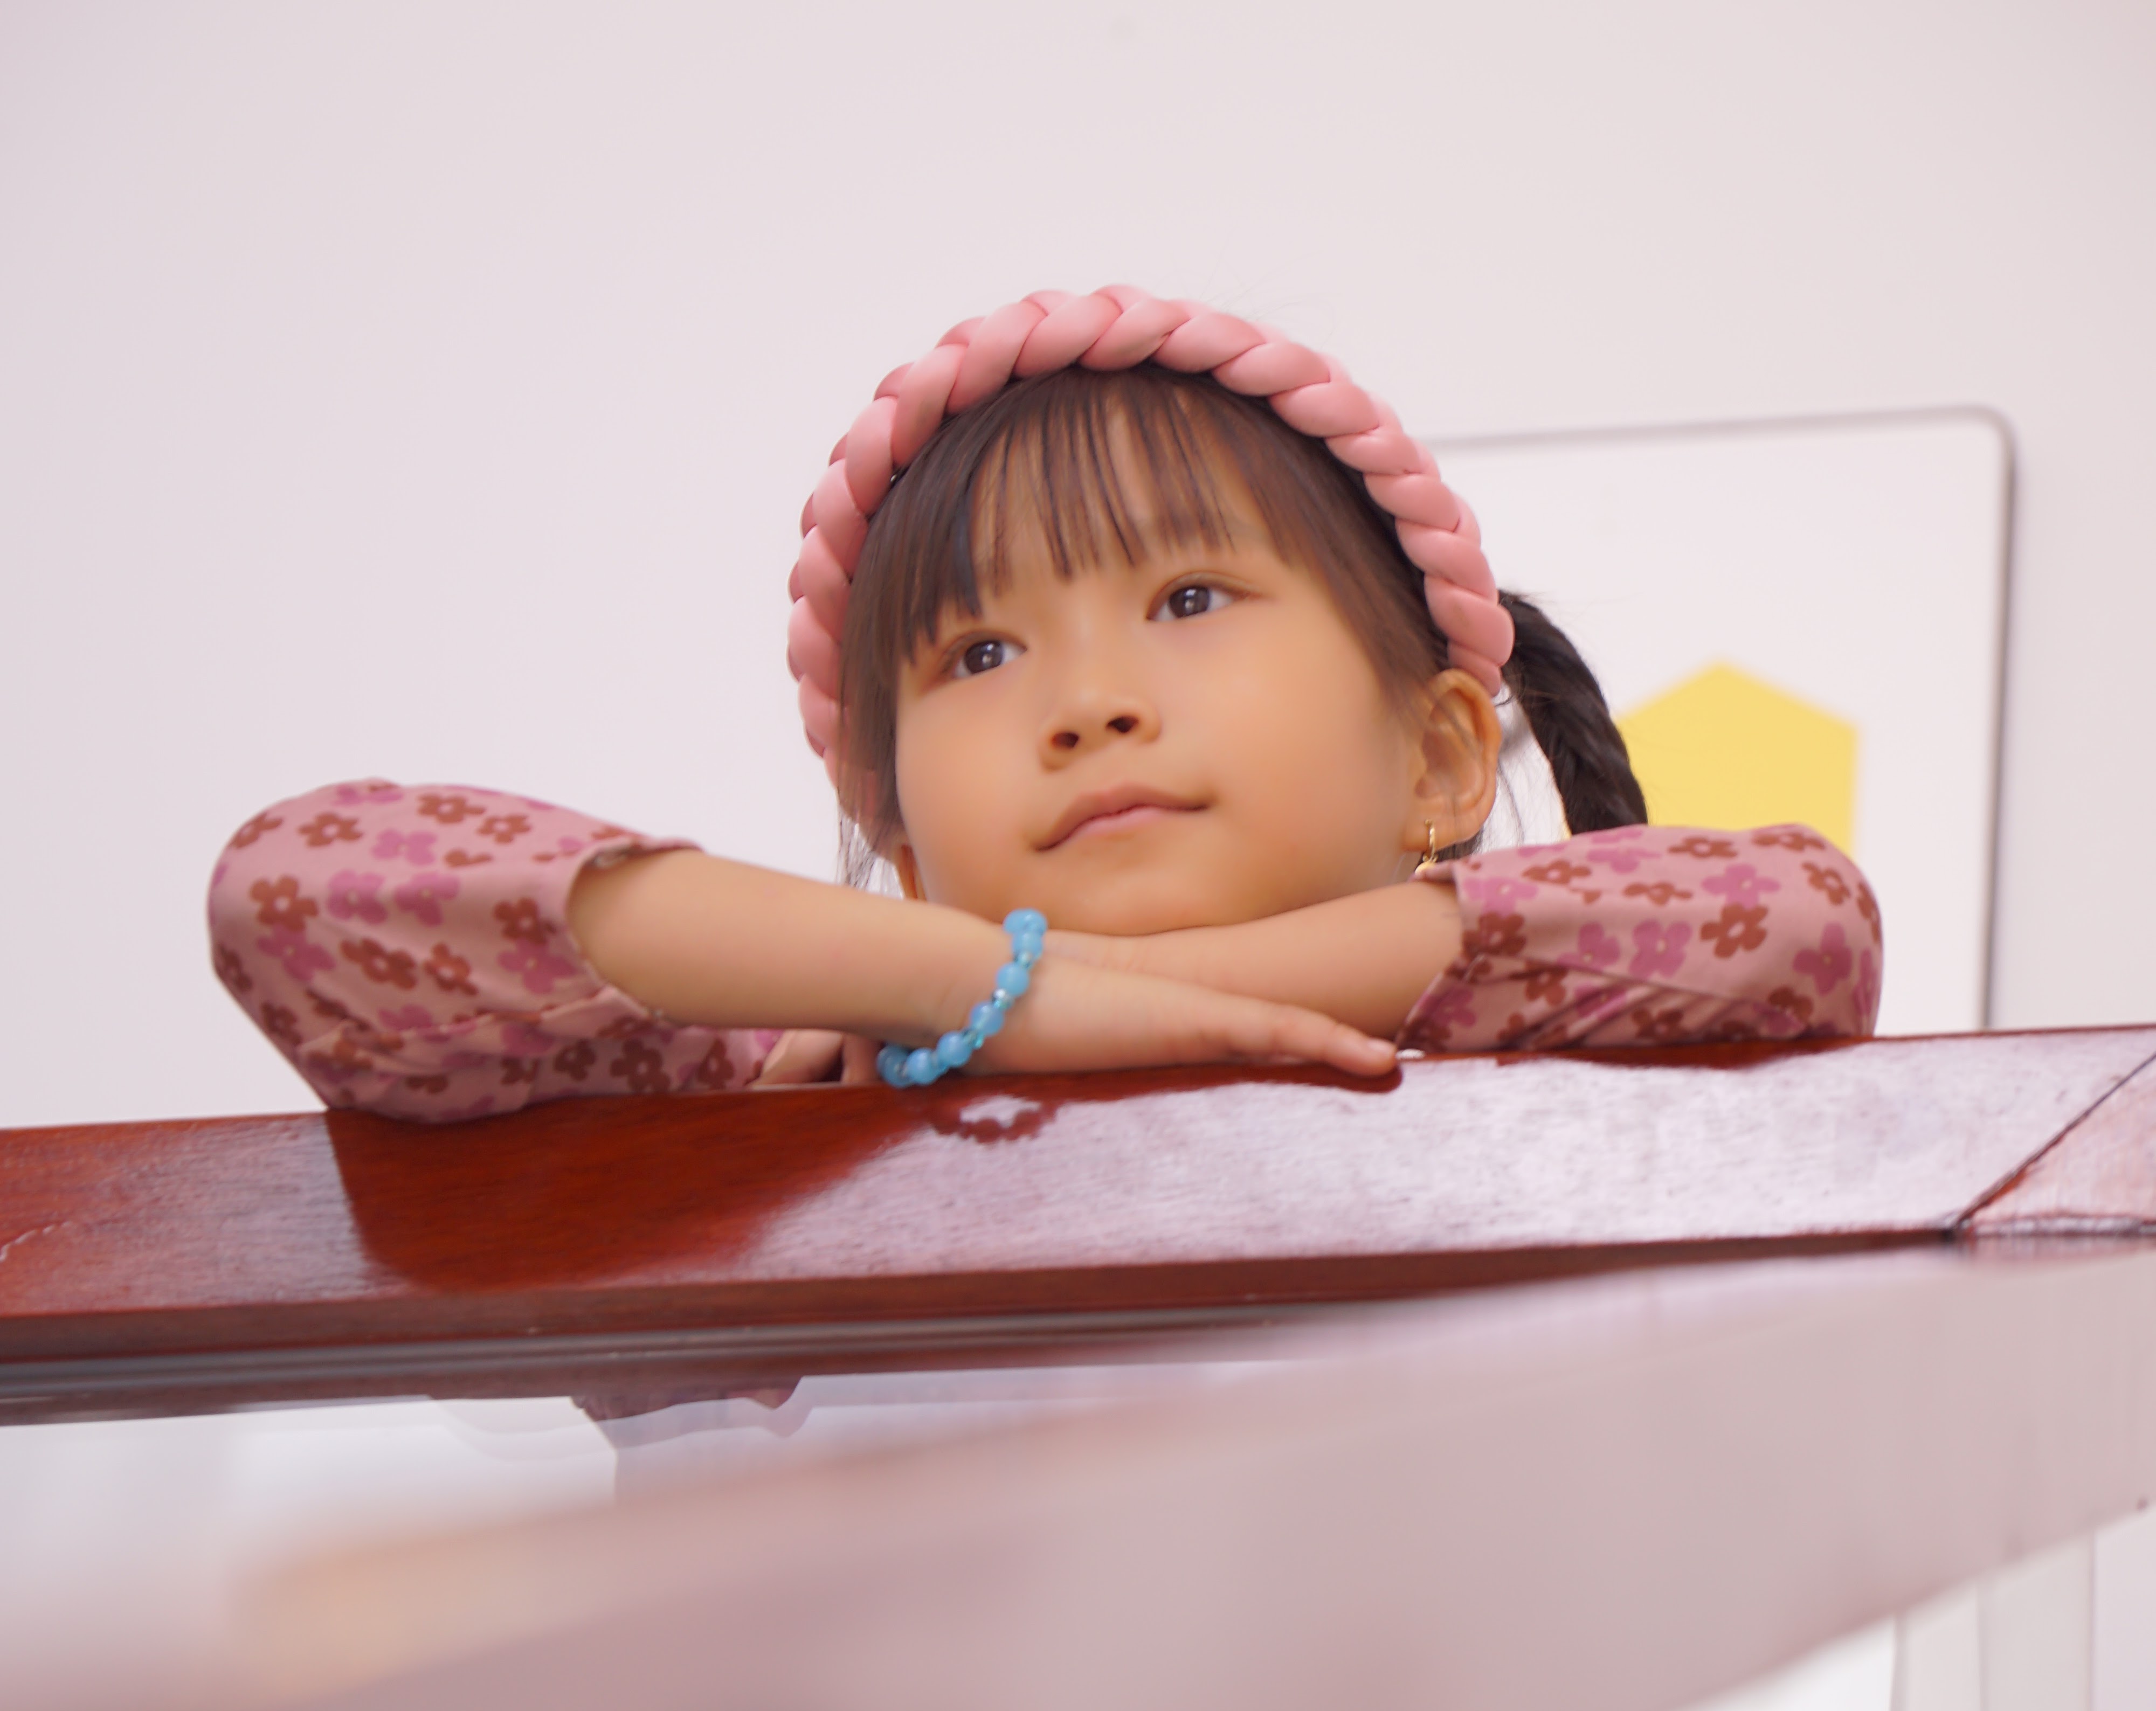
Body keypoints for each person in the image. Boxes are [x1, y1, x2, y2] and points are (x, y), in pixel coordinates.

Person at [207, 287, 1882, 1115]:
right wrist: (980, 995)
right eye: (981, 656)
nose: (1083, 706)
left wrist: (1075, 1000)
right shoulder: (776, 1097)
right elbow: (300, 893)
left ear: (1444, 757)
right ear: (897, 839)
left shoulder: (1527, 1056)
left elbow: (1796, 923)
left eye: (1189, 599)